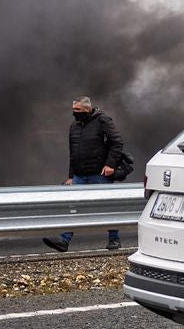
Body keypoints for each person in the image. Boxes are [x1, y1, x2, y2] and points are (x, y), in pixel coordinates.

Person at [42, 96, 128, 254]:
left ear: (87, 109)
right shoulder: (74, 126)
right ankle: (64, 241)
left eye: (78, 110)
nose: (74, 113)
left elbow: (117, 142)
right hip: (79, 175)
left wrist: (110, 164)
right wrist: (70, 176)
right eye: (73, 109)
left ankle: (114, 239)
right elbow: (73, 154)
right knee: (73, 206)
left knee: (107, 207)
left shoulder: (102, 120)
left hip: (99, 174)